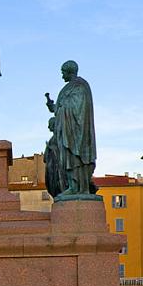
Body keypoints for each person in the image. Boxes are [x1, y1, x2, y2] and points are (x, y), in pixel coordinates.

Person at [46, 60, 97, 196]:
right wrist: (54, 107)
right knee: (67, 158)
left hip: (77, 131)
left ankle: (78, 187)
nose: (62, 76)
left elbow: (77, 107)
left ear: (69, 72)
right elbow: (61, 107)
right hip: (68, 130)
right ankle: (73, 186)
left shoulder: (80, 86)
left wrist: (61, 108)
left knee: (76, 158)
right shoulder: (69, 87)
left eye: (63, 73)